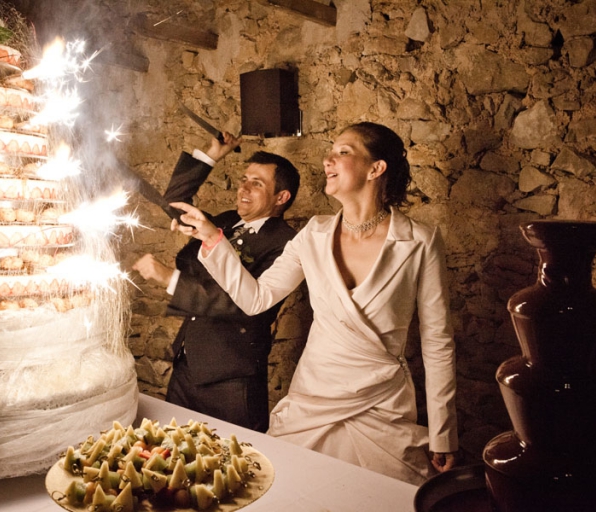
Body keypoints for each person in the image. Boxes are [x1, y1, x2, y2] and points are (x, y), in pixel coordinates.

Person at [169, 122, 458, 485]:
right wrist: (212, 237)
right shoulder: (314, 234)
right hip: (312, 400)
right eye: (331, 151)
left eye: (343, 151)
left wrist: (444, 430)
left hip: (382, 404)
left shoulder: (420, 241)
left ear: (376, 168)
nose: (328, 159)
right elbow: (255, 299)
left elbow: (437, 342)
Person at [131, 134, 301, 433]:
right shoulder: (225, 220)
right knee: (173, 448)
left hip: (232, 380)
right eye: (244, 179)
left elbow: (242, 305)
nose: (244, 187)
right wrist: (212, 154)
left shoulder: (286, 244)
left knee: (235, 462)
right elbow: (176, 203)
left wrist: (169, 278)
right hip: (187, 365)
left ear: (281, 197)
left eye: (257, 183)